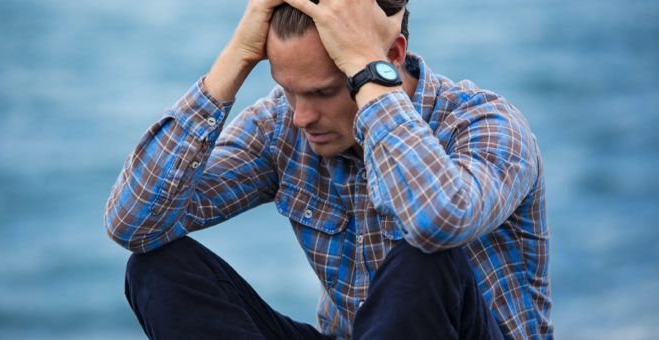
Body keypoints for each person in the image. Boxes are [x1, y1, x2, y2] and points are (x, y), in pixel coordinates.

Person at [104, 0, 553, 338]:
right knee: (156, 268)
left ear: (390, 58)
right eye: (289, 90)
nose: (301, 116)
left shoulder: (486, 125)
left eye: (322, 92)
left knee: (425, 257)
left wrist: (366, 72)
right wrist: (237, 56)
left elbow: (436, 220)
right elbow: (134, 224)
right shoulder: (283, 125)